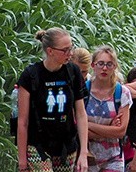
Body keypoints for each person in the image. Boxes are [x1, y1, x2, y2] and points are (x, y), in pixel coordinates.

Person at [17, 28, 88, 172]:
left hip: (66, 145)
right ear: (50, 51)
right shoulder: (30, 75)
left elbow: (80, 114)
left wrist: (84, 153)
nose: (71, 53)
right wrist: (22, 159)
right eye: (65, 50)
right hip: (37, 145)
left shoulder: (73, 72)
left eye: (71, 48)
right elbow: (22, 121)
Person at [86, 45, 133, 172]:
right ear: (93, 65)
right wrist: (109, 129)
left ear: (115, 67)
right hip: (85, 158)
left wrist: (87, 124)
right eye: (100, 63)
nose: (104, 68)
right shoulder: (83, 91)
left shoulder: (122, 93)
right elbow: (76, 129)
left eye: (109, 64)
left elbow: (120, 132)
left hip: (113, 158)